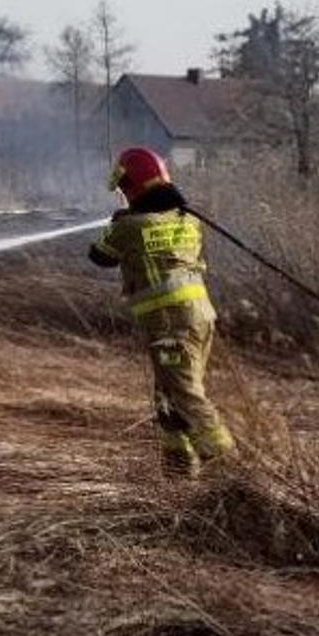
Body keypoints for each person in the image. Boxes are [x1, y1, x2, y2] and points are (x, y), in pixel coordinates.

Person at [88, 148, 235, 475]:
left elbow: (99, 256)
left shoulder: (129, 227)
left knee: (183, 394)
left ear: (133, 186)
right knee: (168, 398)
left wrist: (119, 222)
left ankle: (231, 468)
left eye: (124, 189)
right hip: (200, 319)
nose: (123, 196)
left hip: (169, 326)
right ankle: (178, 469)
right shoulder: (190, 220)